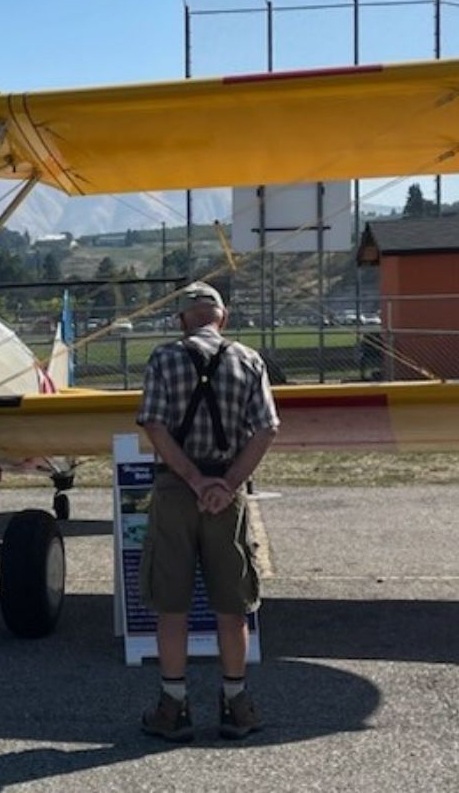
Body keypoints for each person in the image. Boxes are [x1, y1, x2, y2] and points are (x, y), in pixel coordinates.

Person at [135, 282, 279, 742]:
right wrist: (227, 484)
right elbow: (266, 428)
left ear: (182, 319)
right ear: (224, 317)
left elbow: (154, 424)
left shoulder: (163, 358)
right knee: (231, 608)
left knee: (171, 608)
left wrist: (194, 481)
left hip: (176, 493)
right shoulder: (249, 360)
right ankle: (236, 705)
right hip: (227, 494)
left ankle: (173, 709)